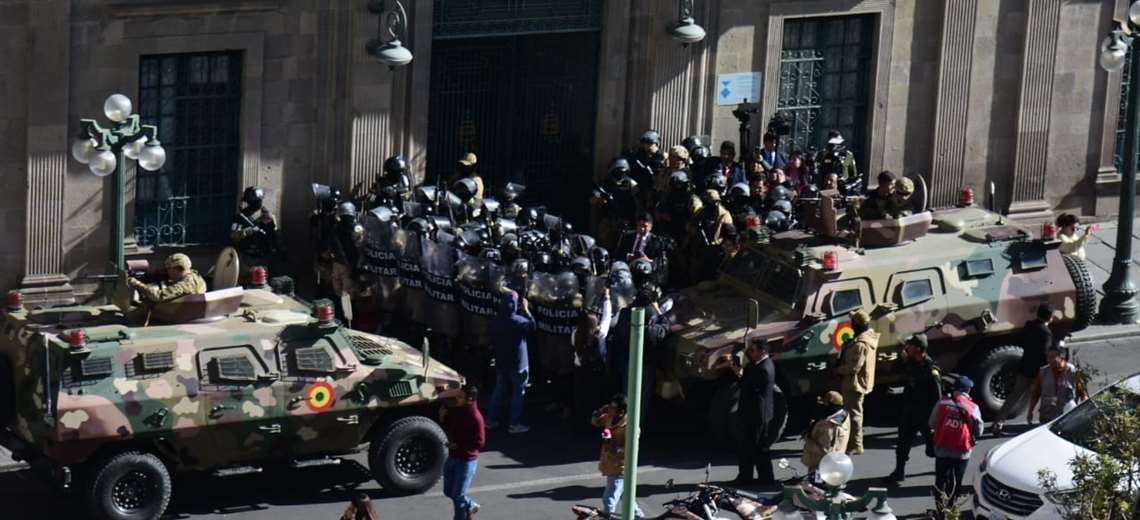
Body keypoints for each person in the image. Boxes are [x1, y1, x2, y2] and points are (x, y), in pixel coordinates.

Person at [993, 303, 1055, 435]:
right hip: (1037, 372)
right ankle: (1042, 423)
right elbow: (1045, 354)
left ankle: (998, 422)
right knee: (1044, 397)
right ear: (1050, 317)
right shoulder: (1046, 333)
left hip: (1024, 366)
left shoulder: (1029, 325)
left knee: (1014, 396)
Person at [888, 334, 942, 482]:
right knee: (902, 444)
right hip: (910, 412)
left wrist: (935, 422)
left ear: (918, 349)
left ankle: (941, 473)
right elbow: (895, 370)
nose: (907, 347)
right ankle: (899, 472)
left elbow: (938, 398)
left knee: (933, 449)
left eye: (910, 345)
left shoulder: (931, 370)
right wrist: (901, 356)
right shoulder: (910, 361)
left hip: (926, 416)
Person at [929, 376, 983, 513]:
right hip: (962, 449)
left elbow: (932, 423)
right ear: (968, 389)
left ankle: (939, 508)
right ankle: (952, 507)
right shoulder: (972, 407)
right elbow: (979, 429)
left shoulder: (942, 402)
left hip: (942, 446)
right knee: (957, 480)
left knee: (940, 479)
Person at [728, 341, 777, 486]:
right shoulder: (758, 365)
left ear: (762, 352)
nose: (750, 353)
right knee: (759, 448)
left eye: (753, 350)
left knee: (750, 448)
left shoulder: (764, 369)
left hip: (756, 415)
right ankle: (765, 478)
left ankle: (747, 478)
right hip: (756, 413)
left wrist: (739, 374)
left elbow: (749, 387)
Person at [487, 290, 535, 433]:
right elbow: (532, 326)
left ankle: (490, 420)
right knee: (518, 393)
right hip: (519, 364)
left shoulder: (496, 321)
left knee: (499, 390)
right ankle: (514, 423)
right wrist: (526, 310)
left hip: (502, 362)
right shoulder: (518, 321)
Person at [591, 394, 644, 518]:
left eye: (613, 407)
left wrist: (611, 442)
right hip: (609, 464)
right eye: (610, 406)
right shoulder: (609, 417)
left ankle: (608, 517)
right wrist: (600, 411)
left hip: (620, 467)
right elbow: (595, 421)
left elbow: (630, 450)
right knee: (627, 498)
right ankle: (640, 517)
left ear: (622, 412)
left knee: (609, 499)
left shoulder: (631, 427)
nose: (610, 409)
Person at [835, 309, 879, 455]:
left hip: (854, 384)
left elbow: (853, 367)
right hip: (855, 382)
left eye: (853, 322)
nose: (851, 324)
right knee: (853, 413)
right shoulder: (865, 338)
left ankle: (856, 445)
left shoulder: (860, 344)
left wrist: (837, 370)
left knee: (853, 415)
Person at [442, 384, 486, 520]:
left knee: (458, 494)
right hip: (453, 456)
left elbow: (480, 442)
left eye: (461, 396)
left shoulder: (476, 418)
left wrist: (458, 445)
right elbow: (451, 426)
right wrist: (443, 418)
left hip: (467, 461)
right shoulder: (457, 409)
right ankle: (471, 506)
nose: (457, 398)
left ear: (470, 399)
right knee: (448, 491)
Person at [1027, 347, 1089, 424]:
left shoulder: (1071, 370)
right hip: (1047, 415)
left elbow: (1082, 392)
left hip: (1066, 415)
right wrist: (1030, 411)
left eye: (1052, 357)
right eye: (1048, 357)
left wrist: (1086, 410)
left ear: (1060, 357)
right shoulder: (1043, 372)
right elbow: (1035, 394)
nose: (1050, 360)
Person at [801, 391, 850, 482]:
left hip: (821, 468)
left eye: (824, 403)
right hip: (833, 466)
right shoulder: (844, 415)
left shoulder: (828, 426)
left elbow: (825, 452)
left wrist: (808, 441)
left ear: (831, 405)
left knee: (817, 488)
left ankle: (818, 485)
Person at [594, 157, 641, 251]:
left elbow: (638, 202)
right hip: (608, 219)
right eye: (618, 171)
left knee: (624, 247)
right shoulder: (605, 183)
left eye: (623, 171)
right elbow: (594, 199)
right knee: (605, 247)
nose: (621, 174)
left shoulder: (631, 183)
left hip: (626, 220)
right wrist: (601, 200)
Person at [128, 253, 208, 303]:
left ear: (177, 268)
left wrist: (137, 284)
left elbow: (158, 296)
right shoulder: (197, 277)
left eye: (168, 269)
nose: (167, 272)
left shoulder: (183, 285)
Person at [230, 185, 279, 258]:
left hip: (266, 256)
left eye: (260, 200)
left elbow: (275, 234)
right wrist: (250, 231)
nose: (259, 203)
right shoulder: (241, 217)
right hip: (248, 257)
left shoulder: (267, 214)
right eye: (257, 201)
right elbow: (233, 236)